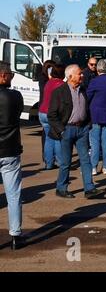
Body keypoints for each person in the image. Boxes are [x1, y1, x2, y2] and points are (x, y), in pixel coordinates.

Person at [47, 64, 105, 199]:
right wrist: (61, 131)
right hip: (66, 130)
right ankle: (61, 188)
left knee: (85, 160)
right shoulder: (59, 92)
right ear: (70, 76)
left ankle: (89, 189)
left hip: (82, 129)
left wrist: (88, 124)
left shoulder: (83, 89)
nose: (82, 75)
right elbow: (52, 115)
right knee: (66, 162)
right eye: (80, 73)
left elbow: (88, 108)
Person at [0, 61, 25, 250]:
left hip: (9, 149)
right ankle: (15, 234)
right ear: (3, 76)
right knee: (13, 194)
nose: (12, 77)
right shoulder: (16, 96)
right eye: (11, 74)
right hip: (9, 149)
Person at [38, 63, 65, 170]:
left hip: (42, 112)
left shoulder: (48, 83)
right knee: (58, 138)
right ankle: (59, 161)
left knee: (49, 138)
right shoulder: (62, 85)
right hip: (52, 114)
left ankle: (48, 163)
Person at [38, 60, 56, 164]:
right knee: (52, 136)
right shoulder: (48, 81)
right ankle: (51, 158)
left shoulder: (41, 78)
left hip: (42, 109)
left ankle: (47, 159)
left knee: (46, 135)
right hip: (49, 110)